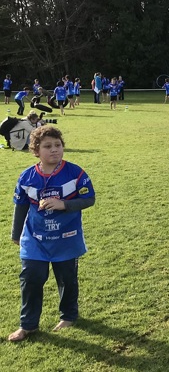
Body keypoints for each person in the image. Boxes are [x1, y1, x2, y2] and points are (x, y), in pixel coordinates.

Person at [7, 126, 96, 342]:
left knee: (67, 279)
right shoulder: (27, 177)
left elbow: (89, 199)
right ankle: (27, 325)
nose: (54, 150)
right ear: (36, 151)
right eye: (47, 146)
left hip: (66, 238)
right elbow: (20, 206)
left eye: (58, 145)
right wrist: (16, 235)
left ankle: (68, 316)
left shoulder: (75, 173)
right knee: (31, 278)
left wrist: (63, 204)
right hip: (35, 239)